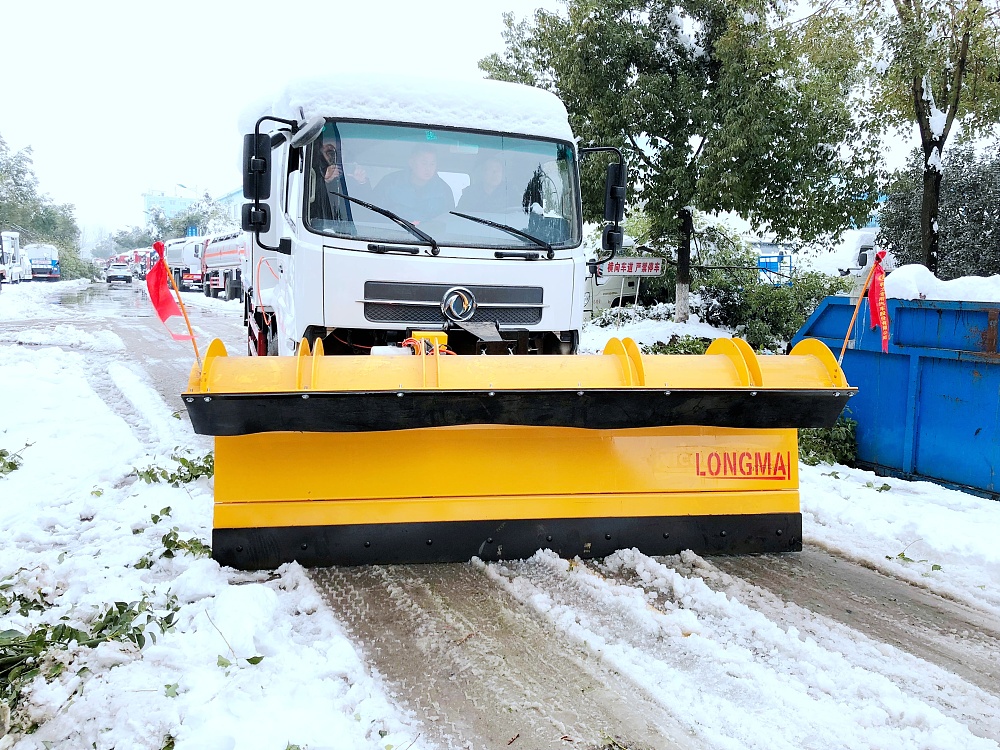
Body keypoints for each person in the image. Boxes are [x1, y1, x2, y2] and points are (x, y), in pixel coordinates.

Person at [373, 145, 454, 224]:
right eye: (424, 163)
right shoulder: (390, 183)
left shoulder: (444, 190)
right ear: (411, 163)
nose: (428, 168)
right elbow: (374, 214)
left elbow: (449, 221)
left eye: (432, 164)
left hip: (428, 233)